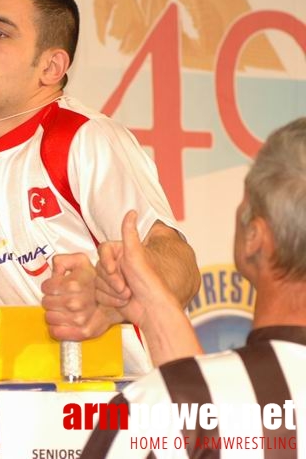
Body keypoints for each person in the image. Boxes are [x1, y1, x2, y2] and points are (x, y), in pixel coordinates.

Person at [0, 0, 200, 368]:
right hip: (15, 420)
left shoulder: (83, 136)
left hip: (123, 410)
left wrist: (105, 294)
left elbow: (180, 264)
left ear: (51, 66)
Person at [81, 118, 306, 458]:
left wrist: (176, 392)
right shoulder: (183, 401)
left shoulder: (158, 410)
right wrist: (157, 312)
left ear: (255, 238)